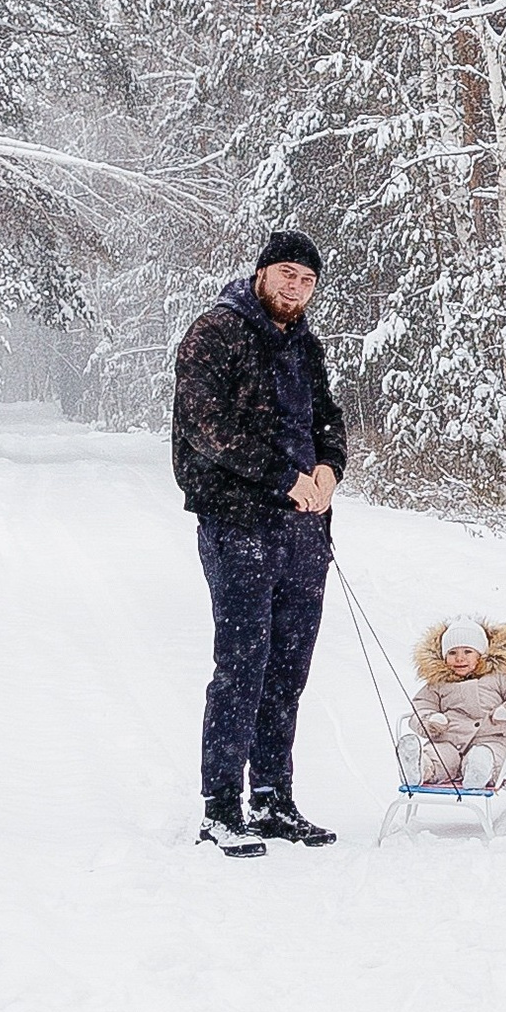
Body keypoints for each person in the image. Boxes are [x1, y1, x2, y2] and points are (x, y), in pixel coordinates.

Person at [171, 229, 349, 854]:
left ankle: (273, 800)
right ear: (261, 273)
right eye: (287, 275)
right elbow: (206, 428)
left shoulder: (306, 346)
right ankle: (221, 807)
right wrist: (285, 479)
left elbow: (328, 419)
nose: (295, 289)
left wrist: (329, 469)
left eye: (306, 281)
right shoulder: (214, 333)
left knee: (287, 671)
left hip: (304, 532)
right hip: (239, 523)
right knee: (242, 667)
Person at [403, 616, 506, 791]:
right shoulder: (437, 685)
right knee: (438, 756)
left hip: (490, 738)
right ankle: (419, 768)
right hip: (448, 740)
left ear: (481, 655)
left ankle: (479, 770)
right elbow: (420, 706)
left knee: (488, 755)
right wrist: (430, 721)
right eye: (452, 653)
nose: (459, 658)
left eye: (467, 652)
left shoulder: (499, 678)